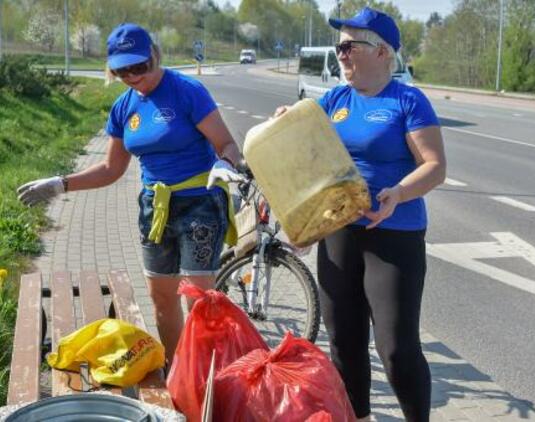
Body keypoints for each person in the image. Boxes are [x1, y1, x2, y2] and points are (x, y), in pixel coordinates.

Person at [16, 23, 243, 366]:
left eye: (140, 66)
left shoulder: (187, 91)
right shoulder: (123, 108)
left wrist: (225, 162)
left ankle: (207, 379)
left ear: (155, 55)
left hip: (200, 203)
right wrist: (61, 184)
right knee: (161, 298)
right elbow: (111, 170)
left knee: (199, 300)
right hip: (155, 209)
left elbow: (227, 144)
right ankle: (176, 371)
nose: (133, 75)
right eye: (123, 70)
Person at [276, 7, 445, 422]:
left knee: (395, 348)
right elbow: (304, 158)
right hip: (339, 233)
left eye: (350, 46)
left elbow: (435, 166)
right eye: (339, 47)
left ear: (383, 52)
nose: (341, 54)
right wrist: (286, 125)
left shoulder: (407, 100)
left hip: (394, 236)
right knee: (344, 341)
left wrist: (399, 193)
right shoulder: (335, 100)